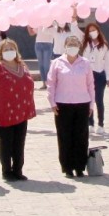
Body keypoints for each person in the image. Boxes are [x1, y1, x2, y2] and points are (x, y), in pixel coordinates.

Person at [0, 39, 36, 181]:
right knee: (6, 142)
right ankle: (6, 171)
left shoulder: (22, 66)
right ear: (0, 52)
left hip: (21, 111)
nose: (9, 51)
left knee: (19, 142)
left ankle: (18, 170)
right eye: (6, 49)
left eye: (11, 48)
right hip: (4, 112)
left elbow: (29, 82)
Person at [47, 35, 94, 178]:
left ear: (79, 47)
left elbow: (90, 85)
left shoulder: (85, 63)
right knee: (64, 136)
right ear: (65, 47)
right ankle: (67, 167)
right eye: (70, 45)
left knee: (81, 136)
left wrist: (92, 105)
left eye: (75, 45)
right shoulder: (56, 63)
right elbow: (51, 83)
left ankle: (80, 166)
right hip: (63, 104)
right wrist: (52, 102)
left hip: (82, 103)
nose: (72, 47)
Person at [81, 22, 109, 135]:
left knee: (99, 100)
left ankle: (101, 124)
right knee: (89, 100)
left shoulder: (104, 46)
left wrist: (108, 77)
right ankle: (90, 123)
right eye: (90, 31)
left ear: (98, 31)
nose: (92, 32)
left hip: (100, 75)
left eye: (94, 30)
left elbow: (107, 62)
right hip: (88, 74)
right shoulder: (86, 44)